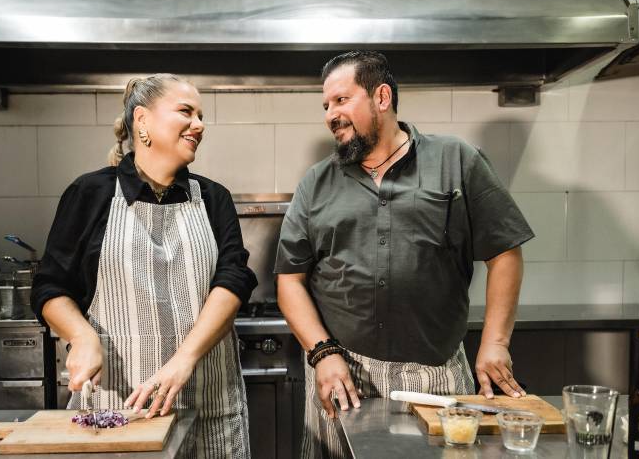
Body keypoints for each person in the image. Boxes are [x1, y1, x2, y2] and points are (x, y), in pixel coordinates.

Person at [274, 51, 535, 458]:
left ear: (381, 97)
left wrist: (495, 342)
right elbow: (289, 279)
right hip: (345, 374)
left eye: (341, 100)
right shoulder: (317, 181)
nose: (330, 114)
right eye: (325, 105)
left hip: (436, 376)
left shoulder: (456, 160)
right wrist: (322, 353)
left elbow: (504, 251)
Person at [31, 74, 256, 459]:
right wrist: (81, 336)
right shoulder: (91, 194)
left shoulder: (214, 198)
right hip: (121, 410)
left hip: (209, 407)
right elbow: (51, 288)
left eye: (201, 115)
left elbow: (234, 281)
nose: (199, 124)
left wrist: (184, 360)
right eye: (186, 111)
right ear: (142, 121)